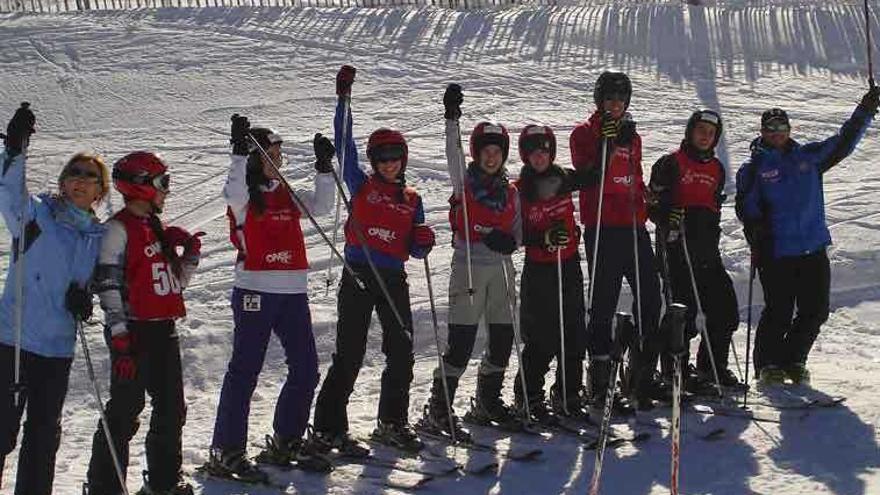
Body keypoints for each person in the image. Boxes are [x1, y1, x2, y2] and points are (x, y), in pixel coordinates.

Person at [312, 65, 435, 454]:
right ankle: (327, 428)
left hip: (393, 277)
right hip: (359, 274)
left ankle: (391, 422)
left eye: (395, 158)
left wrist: (423, 240)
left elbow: (416, 249)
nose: (389, 164)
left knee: (401, 349)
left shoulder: (412, 200)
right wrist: (343, 99)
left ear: (403, 159)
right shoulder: (361, 185)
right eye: (382, 158)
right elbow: (344, 143)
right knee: (350, 352)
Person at [205, 116, 336, 480]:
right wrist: (237, 153)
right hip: (256, 291)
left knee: (306, 368)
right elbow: (230, 194)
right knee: (245, 371)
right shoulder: (246, 198)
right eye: (270, 155)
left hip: (293, 292)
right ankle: (226, 449)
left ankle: (287, 438)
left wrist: (324, 168)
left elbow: (322, 207)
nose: (278, 161)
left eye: (279, 154)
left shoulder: (287, 192)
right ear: (253, 160)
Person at [735, 87, 879, 386]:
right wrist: (756, 230)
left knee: (816, 310)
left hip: (812, 247)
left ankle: (793, 360)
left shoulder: (809, 157)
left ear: (789, 130)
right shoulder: (754, 168)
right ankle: (767, 366)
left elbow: (844, 141)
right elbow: (746, 207)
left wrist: (865, 110)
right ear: (762, 132)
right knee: (779, 312)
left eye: (781, 127)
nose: (776, 133)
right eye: (770, 128)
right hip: (778, 252)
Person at [0, 103, 107, 495]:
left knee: (43, 438)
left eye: (90, 176)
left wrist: (86, 296)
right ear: (63, 182)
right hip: (13, 340)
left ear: (100, 190)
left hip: (58, 349)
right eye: (73, 173)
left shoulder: (98, 238)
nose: (80, 180)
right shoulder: (37, 216)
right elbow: (9, 194)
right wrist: (15, 150)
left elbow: (104, 281)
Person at [85, 151, 201, 495]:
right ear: (141, 186)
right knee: (125, 410)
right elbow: (106, 283)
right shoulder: (118, 229)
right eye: (163, 183)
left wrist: (190, 255)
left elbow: (175, 285)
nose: (167, 191)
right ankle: (104, 486)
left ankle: (164, 482)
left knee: (171, 408)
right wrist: (119, 334)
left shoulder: (155, 227)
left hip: (164, 329)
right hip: (133, 331)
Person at [419, 83, 522, 437]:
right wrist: (452, 119)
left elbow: (518, 232)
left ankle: (487, 401)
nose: (491, 157)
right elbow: (453, 152)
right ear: (477, 154)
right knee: (461, 343)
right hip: (469, 270)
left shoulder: (511, 192)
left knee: (502, 340)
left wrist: (510, 240)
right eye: (485, 152)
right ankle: (439, 409)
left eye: (497, 152)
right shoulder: (465, 183)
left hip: (502, 273)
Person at [569, 71, 661, 416]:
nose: (615, 105)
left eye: (621, 100)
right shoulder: (584, 134)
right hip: (603, 226)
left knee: (651, 296)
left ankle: (639, 365)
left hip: (634, 226)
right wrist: (605, 145)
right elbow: (590, 176)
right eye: (609, 99)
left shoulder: (631, 135)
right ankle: (600, 379)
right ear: (599, 100)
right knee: (603, 300)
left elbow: (632, 176)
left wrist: (648, 199)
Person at [648, 109, 742, 398]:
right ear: (690, 131)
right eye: (700, 130)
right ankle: (673, 371)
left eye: (711, 133)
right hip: (676, 249)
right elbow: (651, 204)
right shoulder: (670, 163)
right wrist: (666, 213)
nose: (705, 136)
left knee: (724, 309)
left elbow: (713, 208)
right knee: (682, 314)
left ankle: (711, 367)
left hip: (706, 251)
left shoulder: (716, 168)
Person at [511, 124, 589, 421]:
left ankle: (568, 393)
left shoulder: (564, 177)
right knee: (541, 334)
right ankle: (528, 396)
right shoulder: (520, 190)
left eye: (544, 151)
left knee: (573, 331)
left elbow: (595, 174)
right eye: (532, 152)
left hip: (568, 263)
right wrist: (542, 239)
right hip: (540, 268)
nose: (539, 157)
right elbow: (515, 234)